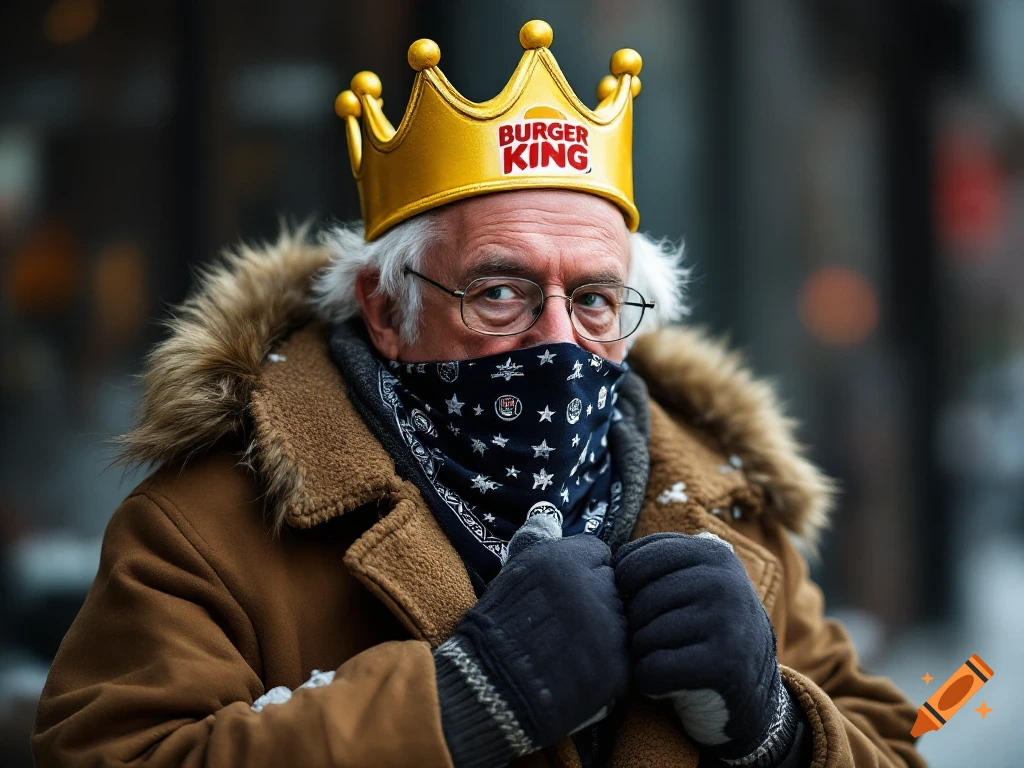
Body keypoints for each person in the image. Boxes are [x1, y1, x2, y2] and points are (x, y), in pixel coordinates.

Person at [31, 19, 925, 768]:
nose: (558, 339)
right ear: (387, 309)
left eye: (595, 299)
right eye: (500, 292)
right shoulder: (207, 529)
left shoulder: (730, 509)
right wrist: (464, 700)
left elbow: (896, 746)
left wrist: (775, 729)